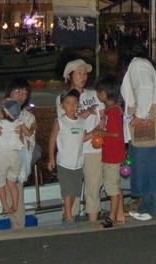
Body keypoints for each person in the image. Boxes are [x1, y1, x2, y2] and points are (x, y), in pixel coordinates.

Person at [0, 77, 36, 231]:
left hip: (14, 164)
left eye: (25, 93)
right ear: (8, 93)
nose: (21, 96)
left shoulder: (28, 117)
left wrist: (23, 136)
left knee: (18, 210)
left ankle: (19, 235)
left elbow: (31, 144)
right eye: (17, 91)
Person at [121, 56, 156, 221]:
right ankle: (148, 207)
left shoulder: (138, 65)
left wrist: (139, 115)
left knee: (148, 168)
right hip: (153, 126)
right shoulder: (143, 64)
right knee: (148, 168)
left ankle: (153, 209)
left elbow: (144, 88)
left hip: (149, 126)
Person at [57, 59, 104, 222]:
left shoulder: (93, 95)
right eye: (79, 73)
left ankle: (92, 223)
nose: (83, 76)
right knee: (72, 191)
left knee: (93, 188)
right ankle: (70, 221)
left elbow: (102, 116)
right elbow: (67, 122)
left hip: (93, 148)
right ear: (69, 76)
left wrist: (102, 125)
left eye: (85, 73)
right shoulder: (63, 98)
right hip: (73, 152)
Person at [48, 89, 90, 227]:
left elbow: (83, 138)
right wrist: (51, 158)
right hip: (64, 162)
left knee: (75, 191)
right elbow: (52, 140)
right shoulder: (60, 121)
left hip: (78, 162)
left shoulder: (81, 121)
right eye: (68, 103)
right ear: (62, 106)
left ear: (78, 105)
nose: (72, 106)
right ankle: (69, 215)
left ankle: (67, 214)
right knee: (67, 190)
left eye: (74, 103)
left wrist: (96, 132)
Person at [93, 76, 127, 226]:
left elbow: (115, 134)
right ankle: (120, 215)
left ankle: (111, 217)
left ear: (104, 94)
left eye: (98, 92)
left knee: (111, 188)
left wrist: (100, 133)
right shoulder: (112, 110)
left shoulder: (113, 112)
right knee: (115, 186)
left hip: (112, 156)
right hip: (111, 154)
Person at [0, 98, 24, 216]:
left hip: (2, 156)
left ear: (4, 112)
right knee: (11, 182)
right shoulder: (19, 123)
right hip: (15, 156)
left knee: (0, 183)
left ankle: (5, 206)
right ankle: (15, 205)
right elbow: (27, 133)